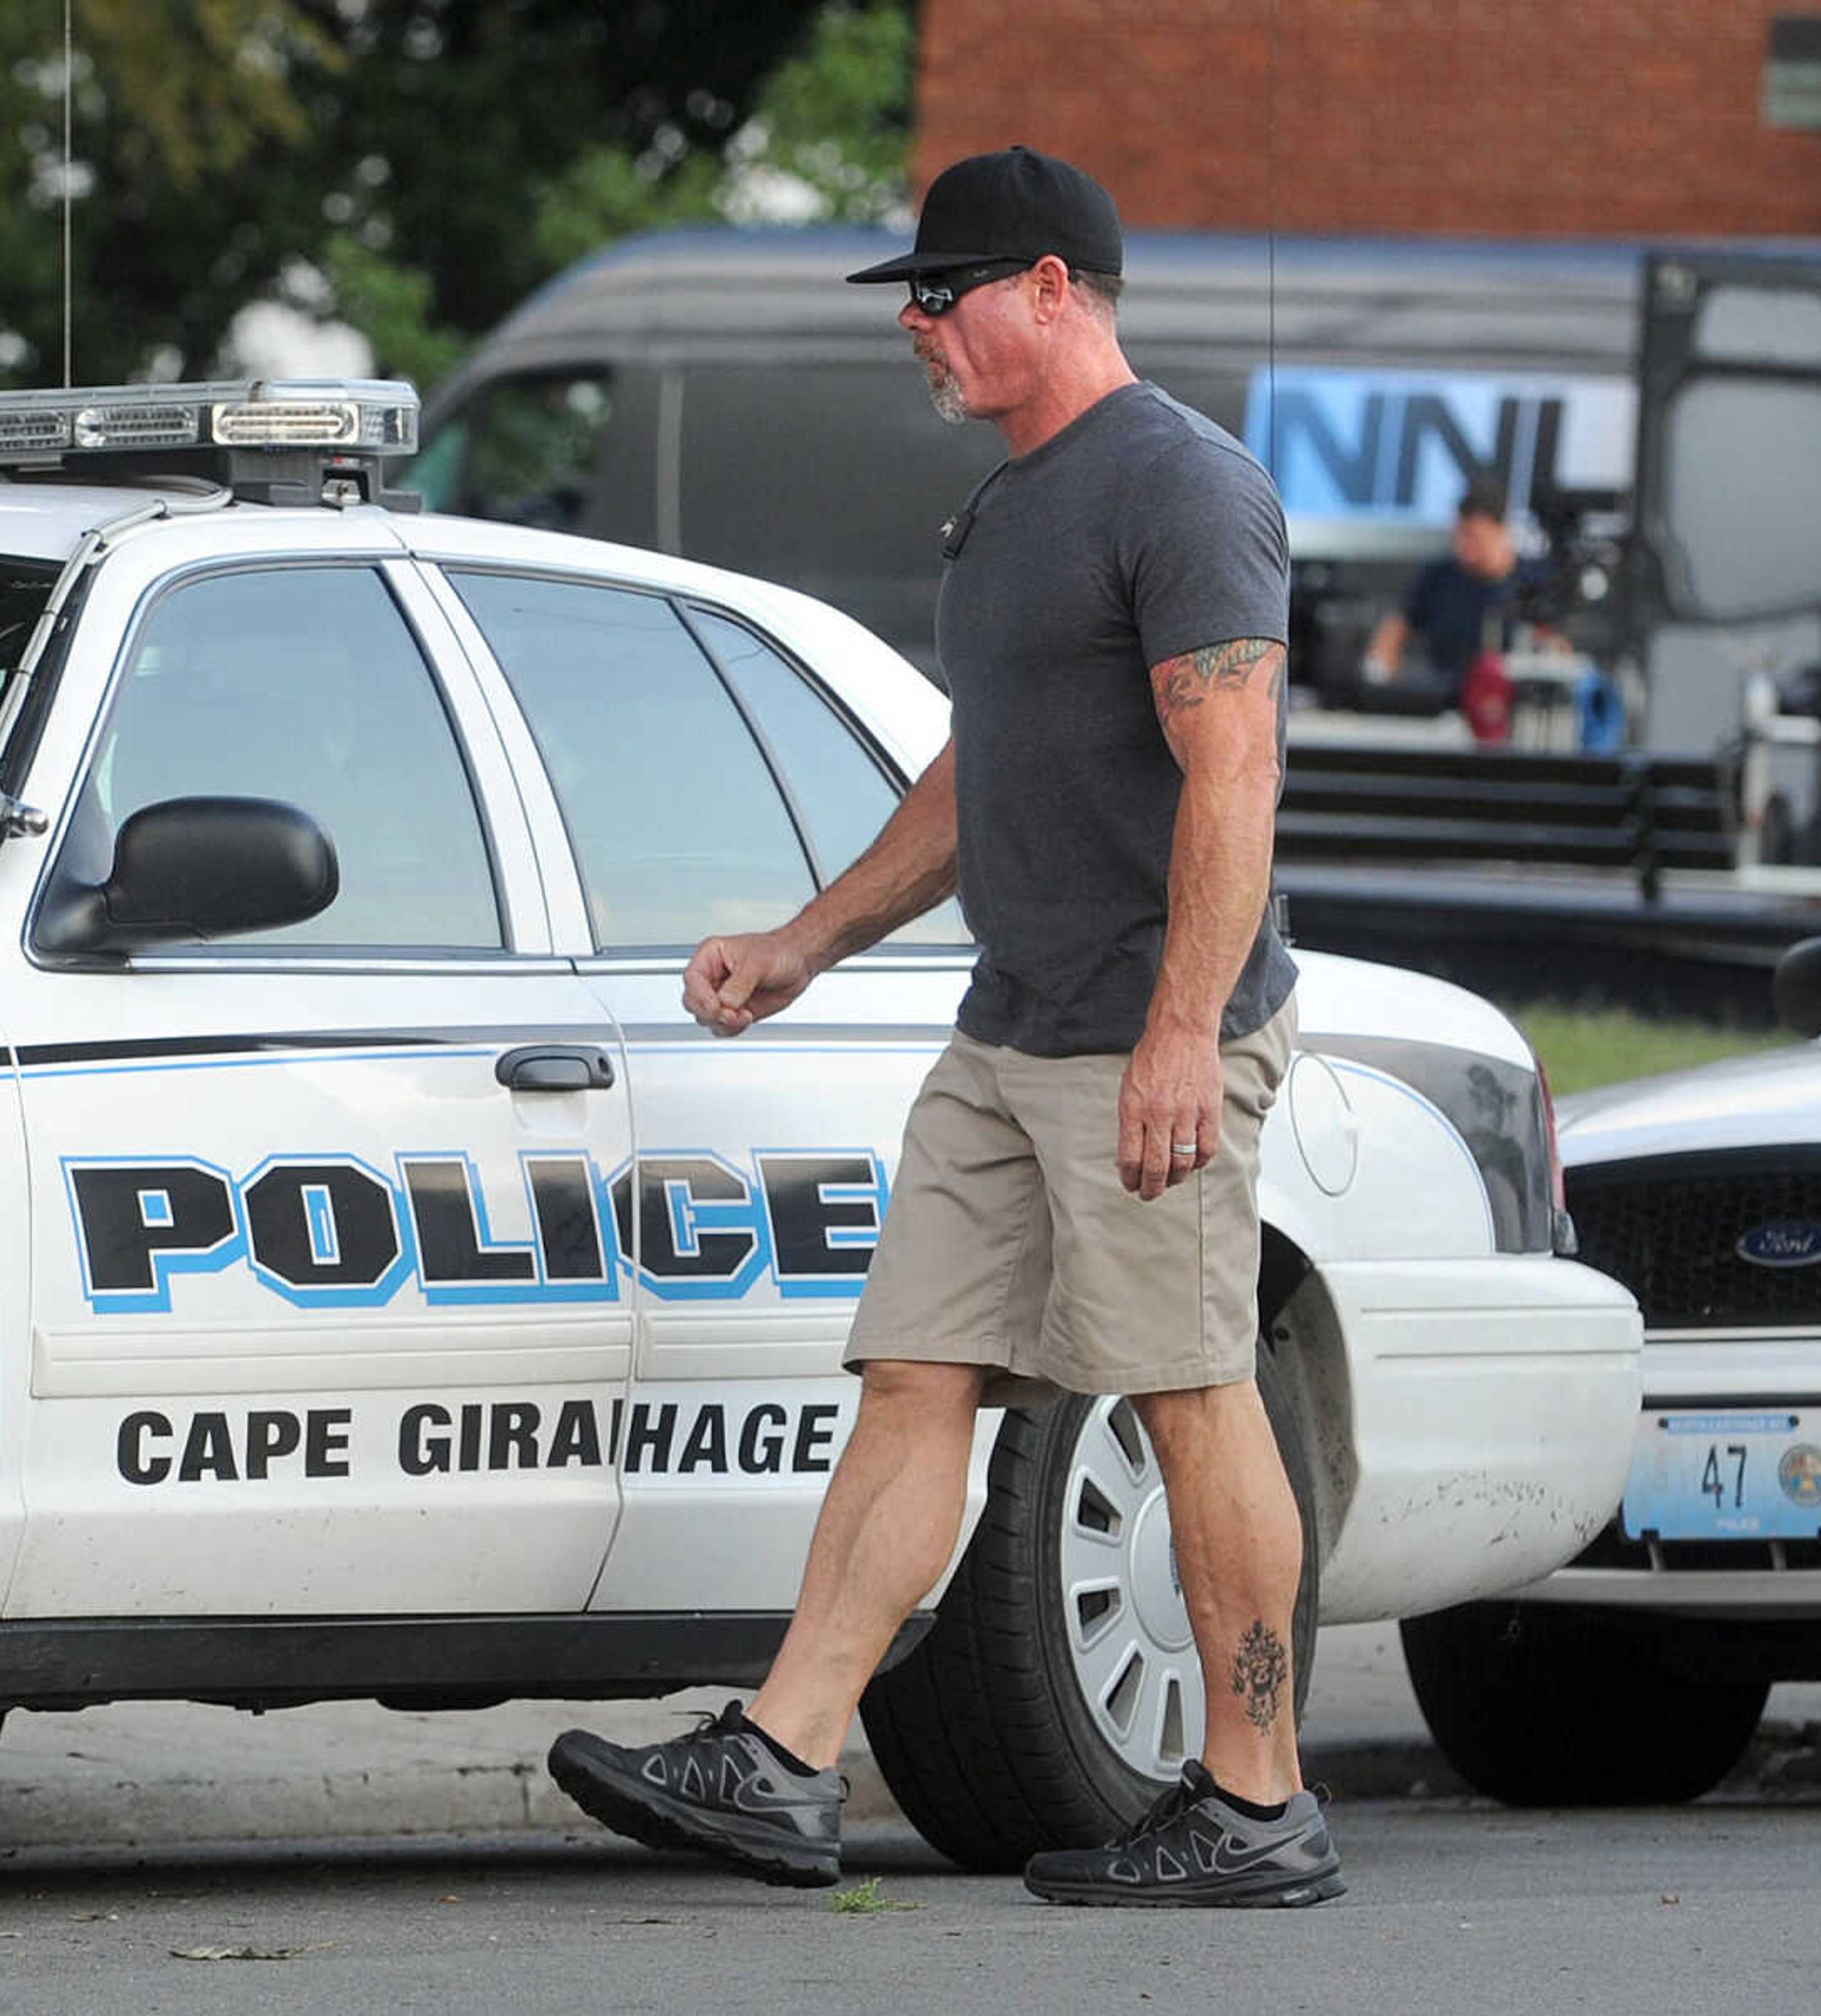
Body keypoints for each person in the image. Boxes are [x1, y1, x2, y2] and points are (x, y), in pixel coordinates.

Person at [544, 145, 1341, 1910]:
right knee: (914, 1370)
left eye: (943, 288)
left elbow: (1234, 770)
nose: (914, 322)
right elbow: (982, 771)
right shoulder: (1008, 506)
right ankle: (786, 1752)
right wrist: (807, 937)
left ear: (1051, 288)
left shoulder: (1178, 486)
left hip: (1149, 1025)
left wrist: (1180, 1034)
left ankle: (1255, 1791)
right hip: (1007, 1031)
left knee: (1190, 1391)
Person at [1360, 482, 1546, 714]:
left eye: (1476, 539)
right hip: (1445, 702)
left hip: (1512, 707)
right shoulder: (1439, 575)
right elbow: (1396, 627)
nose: (1466, 548)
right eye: (1461, 536)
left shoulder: (1534, 580)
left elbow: (1555, 645)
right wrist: (1377, 676)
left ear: (1501, 531)